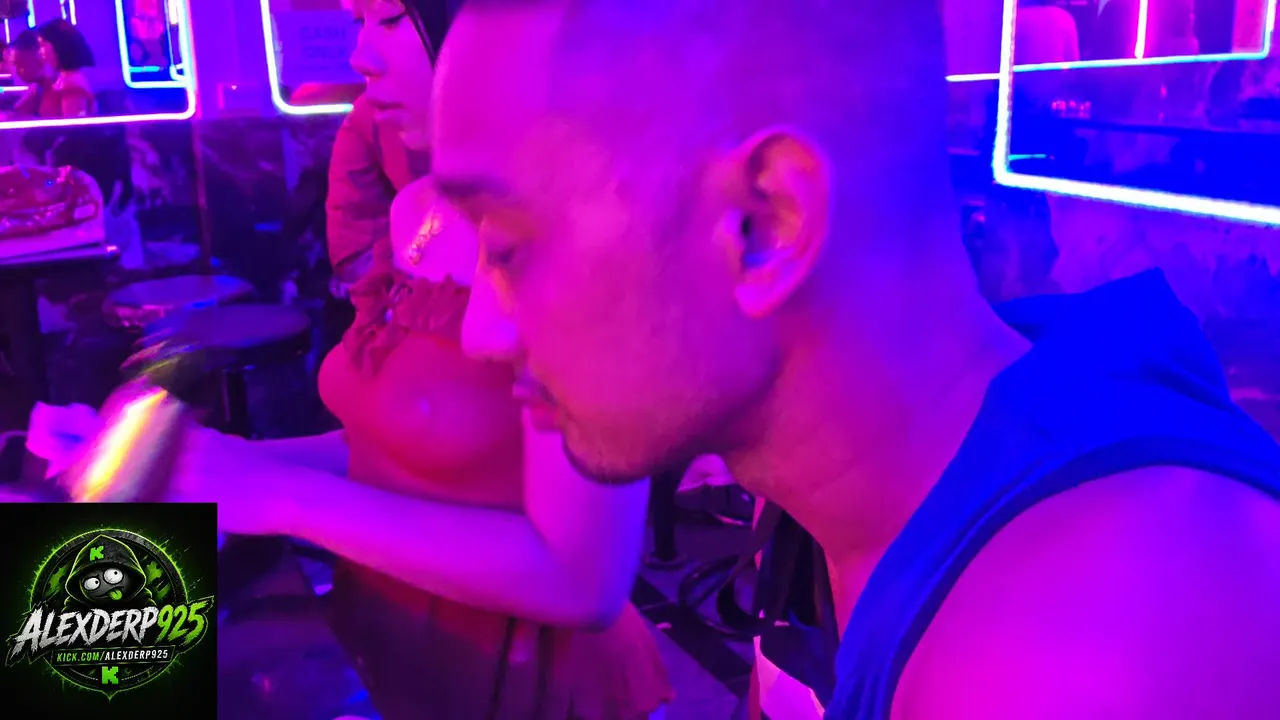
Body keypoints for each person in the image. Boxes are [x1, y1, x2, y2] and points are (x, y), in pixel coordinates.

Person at [430, 2, 1280, 719]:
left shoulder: (1069, 654)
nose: (480, 332)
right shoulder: (864, 495)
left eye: (507, 249)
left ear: (765, 226)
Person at [174, 1, 672, 718]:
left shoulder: (582, 223)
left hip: (524, 678)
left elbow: (584, 580)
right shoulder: (416, 210)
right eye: (357, 25)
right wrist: (220, 464)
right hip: (384, 644)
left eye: (386, 21)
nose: (360, 58)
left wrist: (283, 498)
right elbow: (398, 446)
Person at [33, 19, 96, 119]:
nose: (40, 52)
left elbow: (72, 126)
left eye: (43, 45)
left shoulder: (72, 84)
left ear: (59, 45)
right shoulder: (62, 78)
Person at [3, 30, 52, 117]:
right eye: (15, 65)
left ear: (38, 58)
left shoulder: (55, 87)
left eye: (22, 65)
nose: (18, 72)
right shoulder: (37, 87)